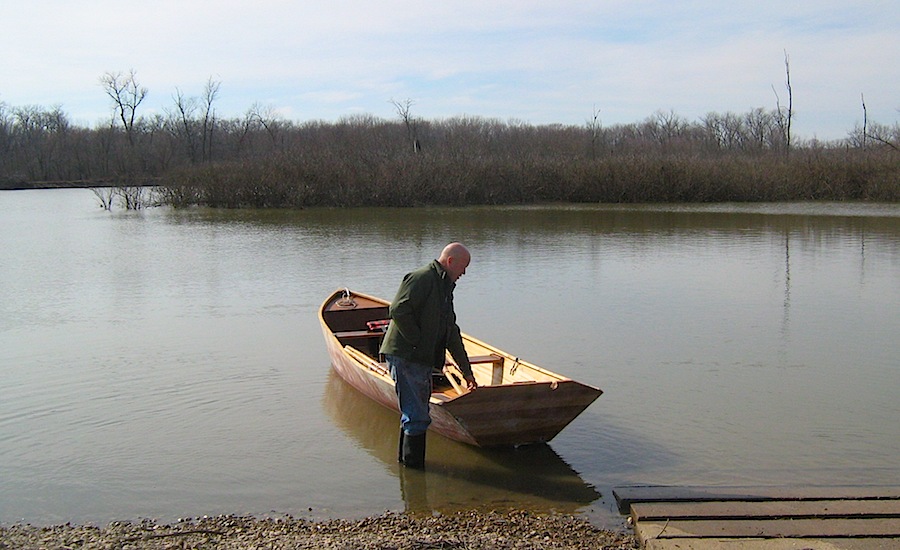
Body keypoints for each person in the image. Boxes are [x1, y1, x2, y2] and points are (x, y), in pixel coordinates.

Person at [379, 242, 478, 468]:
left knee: (415, 414)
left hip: (419, 358)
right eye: (463, 267)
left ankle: (408, 475)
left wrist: (467, 372)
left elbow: (451, 332)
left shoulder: (445, 288)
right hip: (406, 356)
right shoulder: (422, 278)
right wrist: (418, 343)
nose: (464, 273)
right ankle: (414, 472)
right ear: (450, 261)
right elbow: (398, 310)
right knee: (417, 417)